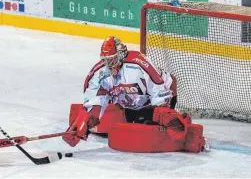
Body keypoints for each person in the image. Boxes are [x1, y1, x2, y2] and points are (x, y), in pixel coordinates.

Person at [62, 36, 191, 148]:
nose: (108, 64)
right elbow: (95, 101)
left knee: (149, 129)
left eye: (111, 59)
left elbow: (159, 90)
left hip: (160, 95)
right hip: (130, 105)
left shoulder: (139, 65)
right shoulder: (99, 73)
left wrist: (165, 115)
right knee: (122, 128)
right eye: (105, 60)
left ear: (120, 55)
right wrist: (85, 123)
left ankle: (180, 119)